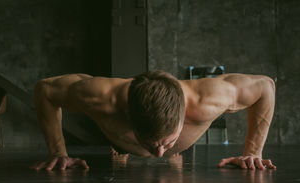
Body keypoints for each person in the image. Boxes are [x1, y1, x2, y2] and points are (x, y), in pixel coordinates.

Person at [31, 71, 276, 171]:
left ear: (183, 117)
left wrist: (253, 152)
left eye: (169, 143)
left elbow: (265, 87)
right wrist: (58, 152)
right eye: (149, 143)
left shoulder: (209, 99)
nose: (159, 154)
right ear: (128, 116)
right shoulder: (100, 97)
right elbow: (45, 90)